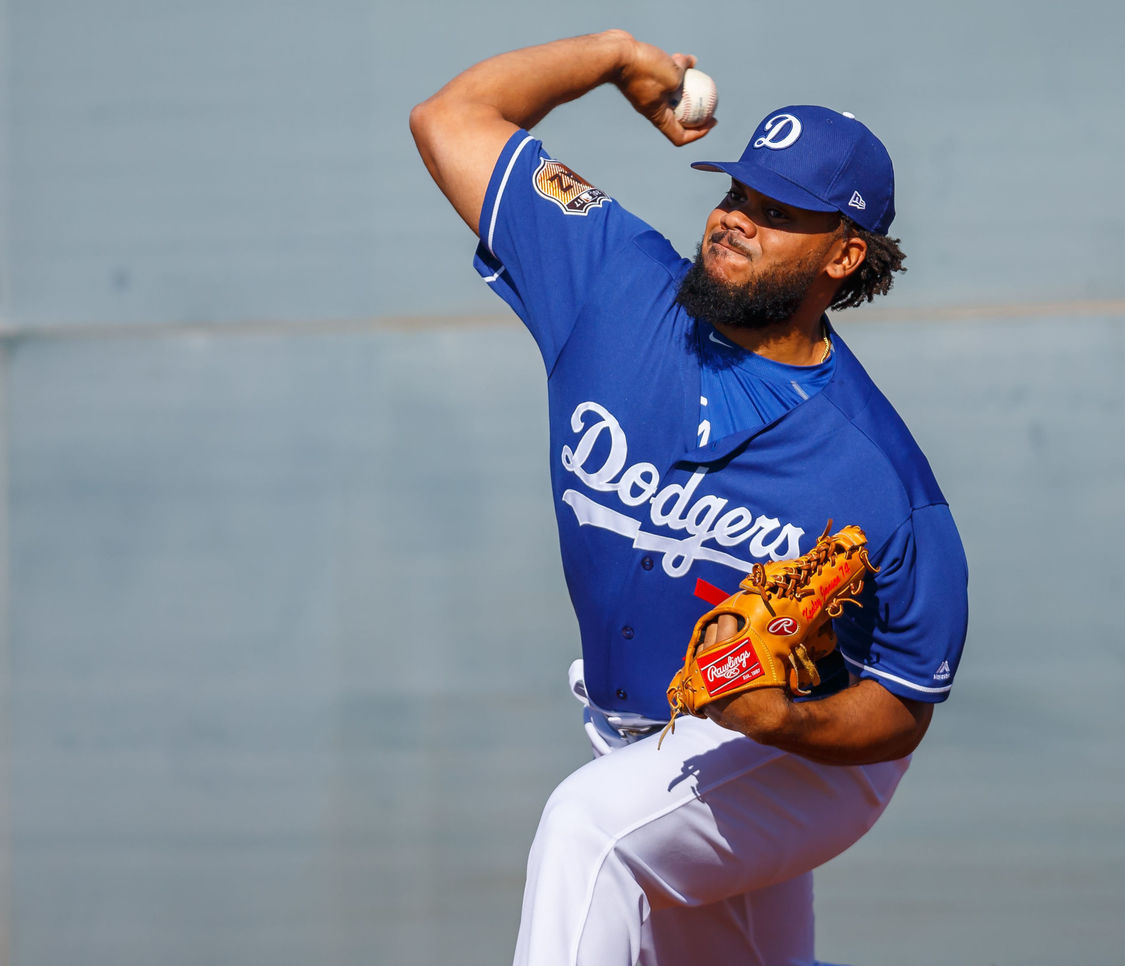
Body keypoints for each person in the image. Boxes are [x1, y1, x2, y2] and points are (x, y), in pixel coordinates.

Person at [410, 30, 968, 966]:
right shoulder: (614, 286)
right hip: (649, 739)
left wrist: (785, 722)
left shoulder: (879, 477)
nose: (736, 218)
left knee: (589, 831)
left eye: (780, 209)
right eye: (737, 192)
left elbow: (902, 707)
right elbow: (451, 119)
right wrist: (609, 54)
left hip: (806, 756)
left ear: (843, 257)